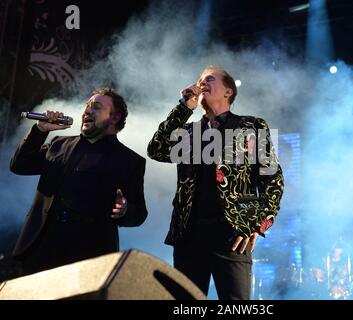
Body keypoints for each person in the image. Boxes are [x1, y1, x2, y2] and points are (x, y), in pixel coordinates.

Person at [147, 66, 284, 299]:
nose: (201, 83)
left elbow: (273, 179)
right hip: (189, 234)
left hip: (232, 234)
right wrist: (183, 107)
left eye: (209, 79)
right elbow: (156, 149)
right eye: (200, 80)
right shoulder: (188, 131)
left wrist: (257, 223)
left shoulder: (251, 126)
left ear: (228, 91)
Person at [10, 87, 148, 275]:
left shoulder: (130, 161)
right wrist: (40, 130)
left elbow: (139, 213)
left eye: (96, 107)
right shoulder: (58, 144)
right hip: (41, 246)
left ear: (115, 118)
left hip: (88, 255)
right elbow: (19, 165)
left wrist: (125, 210)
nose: (88, 111)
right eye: (87, 106)